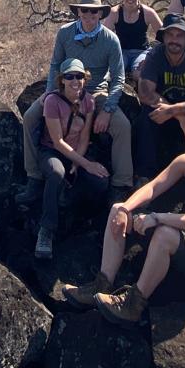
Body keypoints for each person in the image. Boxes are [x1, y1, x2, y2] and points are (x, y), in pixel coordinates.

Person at [64, 113, 185, 325]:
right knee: (118, 209)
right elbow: (153, 187)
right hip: (182, 238)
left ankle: (132, 304)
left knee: (164, 234)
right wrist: (125, 209)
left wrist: (157, 217)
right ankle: (101, 285)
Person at [18, 0, 132, 205]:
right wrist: (51, 92)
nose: (89, 15)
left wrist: (107, 109)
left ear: (101, 13)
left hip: (96, 90)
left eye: (94, 11)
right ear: (78, 11)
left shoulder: (110, 40)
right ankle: (33, 177)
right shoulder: (65, 33)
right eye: (85, 10)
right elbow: (55, 65)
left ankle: (121, 184)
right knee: (32, 117)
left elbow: (118, 78)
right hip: (64, 89)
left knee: (122, 126)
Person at [33, 58, 112, 259]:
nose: (75, 81)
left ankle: (77, 213)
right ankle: (46, 230)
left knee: (100, 181)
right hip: (51, 152)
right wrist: (85, 163)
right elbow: (58, 141)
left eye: (79, 76)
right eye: (70, 77)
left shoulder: (89, 101)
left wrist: (78, 162)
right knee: (57, 173)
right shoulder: (52, 101)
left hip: (77, 153)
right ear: (62, 80)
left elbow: (85, 137)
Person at [134, 14, 185, 182]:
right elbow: (145, 93)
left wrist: (176, 110)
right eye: (170, 35)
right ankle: (144, 176)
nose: (174, 40)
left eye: (179, 35)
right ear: (163, 37)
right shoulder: (155, 56)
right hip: (163, 110)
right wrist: (179, 116)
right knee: (146, 118)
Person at [102, 0, 162, 79]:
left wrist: (153, 55)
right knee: (114, 73)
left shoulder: (148, 13)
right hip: (120, 51)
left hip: (142, 52)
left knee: (139, 74)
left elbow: (164, 36)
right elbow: (103, 38)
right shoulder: (114, 13)